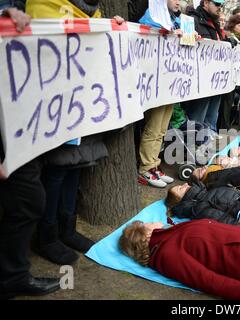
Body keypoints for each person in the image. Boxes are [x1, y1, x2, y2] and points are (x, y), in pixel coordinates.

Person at [25, 0, 124, 266]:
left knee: (77, 164)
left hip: (84, 97)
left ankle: (66, 228)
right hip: (56, 98)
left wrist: (112, 27)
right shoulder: (46, 4)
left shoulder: (95, 13)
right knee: (57, 168)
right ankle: (47, 235)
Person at [0, 2, 61, 299]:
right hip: (9, 126)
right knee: (28, 201)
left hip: (22, 121)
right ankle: (11, 277)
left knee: (26, 200)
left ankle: (12, 274)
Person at [137, 0, 182, 188]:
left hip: (169, 82)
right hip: (156, 82)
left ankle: (154, 164)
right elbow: (144, 31)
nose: (179, 2)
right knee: (153, 128)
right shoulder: (152, 15)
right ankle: (145, 168)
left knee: (162, 129)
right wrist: (170, 33)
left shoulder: (177, 21)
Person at [182, 0, 225, 132]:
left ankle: (209, 146)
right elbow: (184, 50)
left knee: (211, 119)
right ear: (206, 3)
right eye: (217, 4)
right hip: (199, 82)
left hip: (216, 80)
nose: (220, 8)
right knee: (197, 121)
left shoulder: (215, 23)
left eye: (221, 5)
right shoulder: (190, 20)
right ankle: (193, 148)